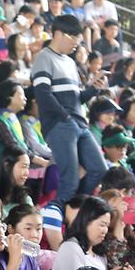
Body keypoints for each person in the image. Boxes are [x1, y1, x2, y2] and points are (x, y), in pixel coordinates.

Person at [32, 14, 107, 206]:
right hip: (60, 124)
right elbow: (43, 94)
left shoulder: (70, 62)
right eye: (73, 36)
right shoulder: (44, 57)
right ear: (58, 34)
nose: (77, 42)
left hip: (78, 122)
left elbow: (76, 99)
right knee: (70, 180)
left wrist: (93, 89)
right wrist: (65, 117)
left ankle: (73, 208)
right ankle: (59, 218)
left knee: (99, 169)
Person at [51, 195, 115, 270]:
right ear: (86, 221)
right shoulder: (70, 247)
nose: (105, 230)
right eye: (102, 225)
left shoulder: (100, 254)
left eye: (107, 226)